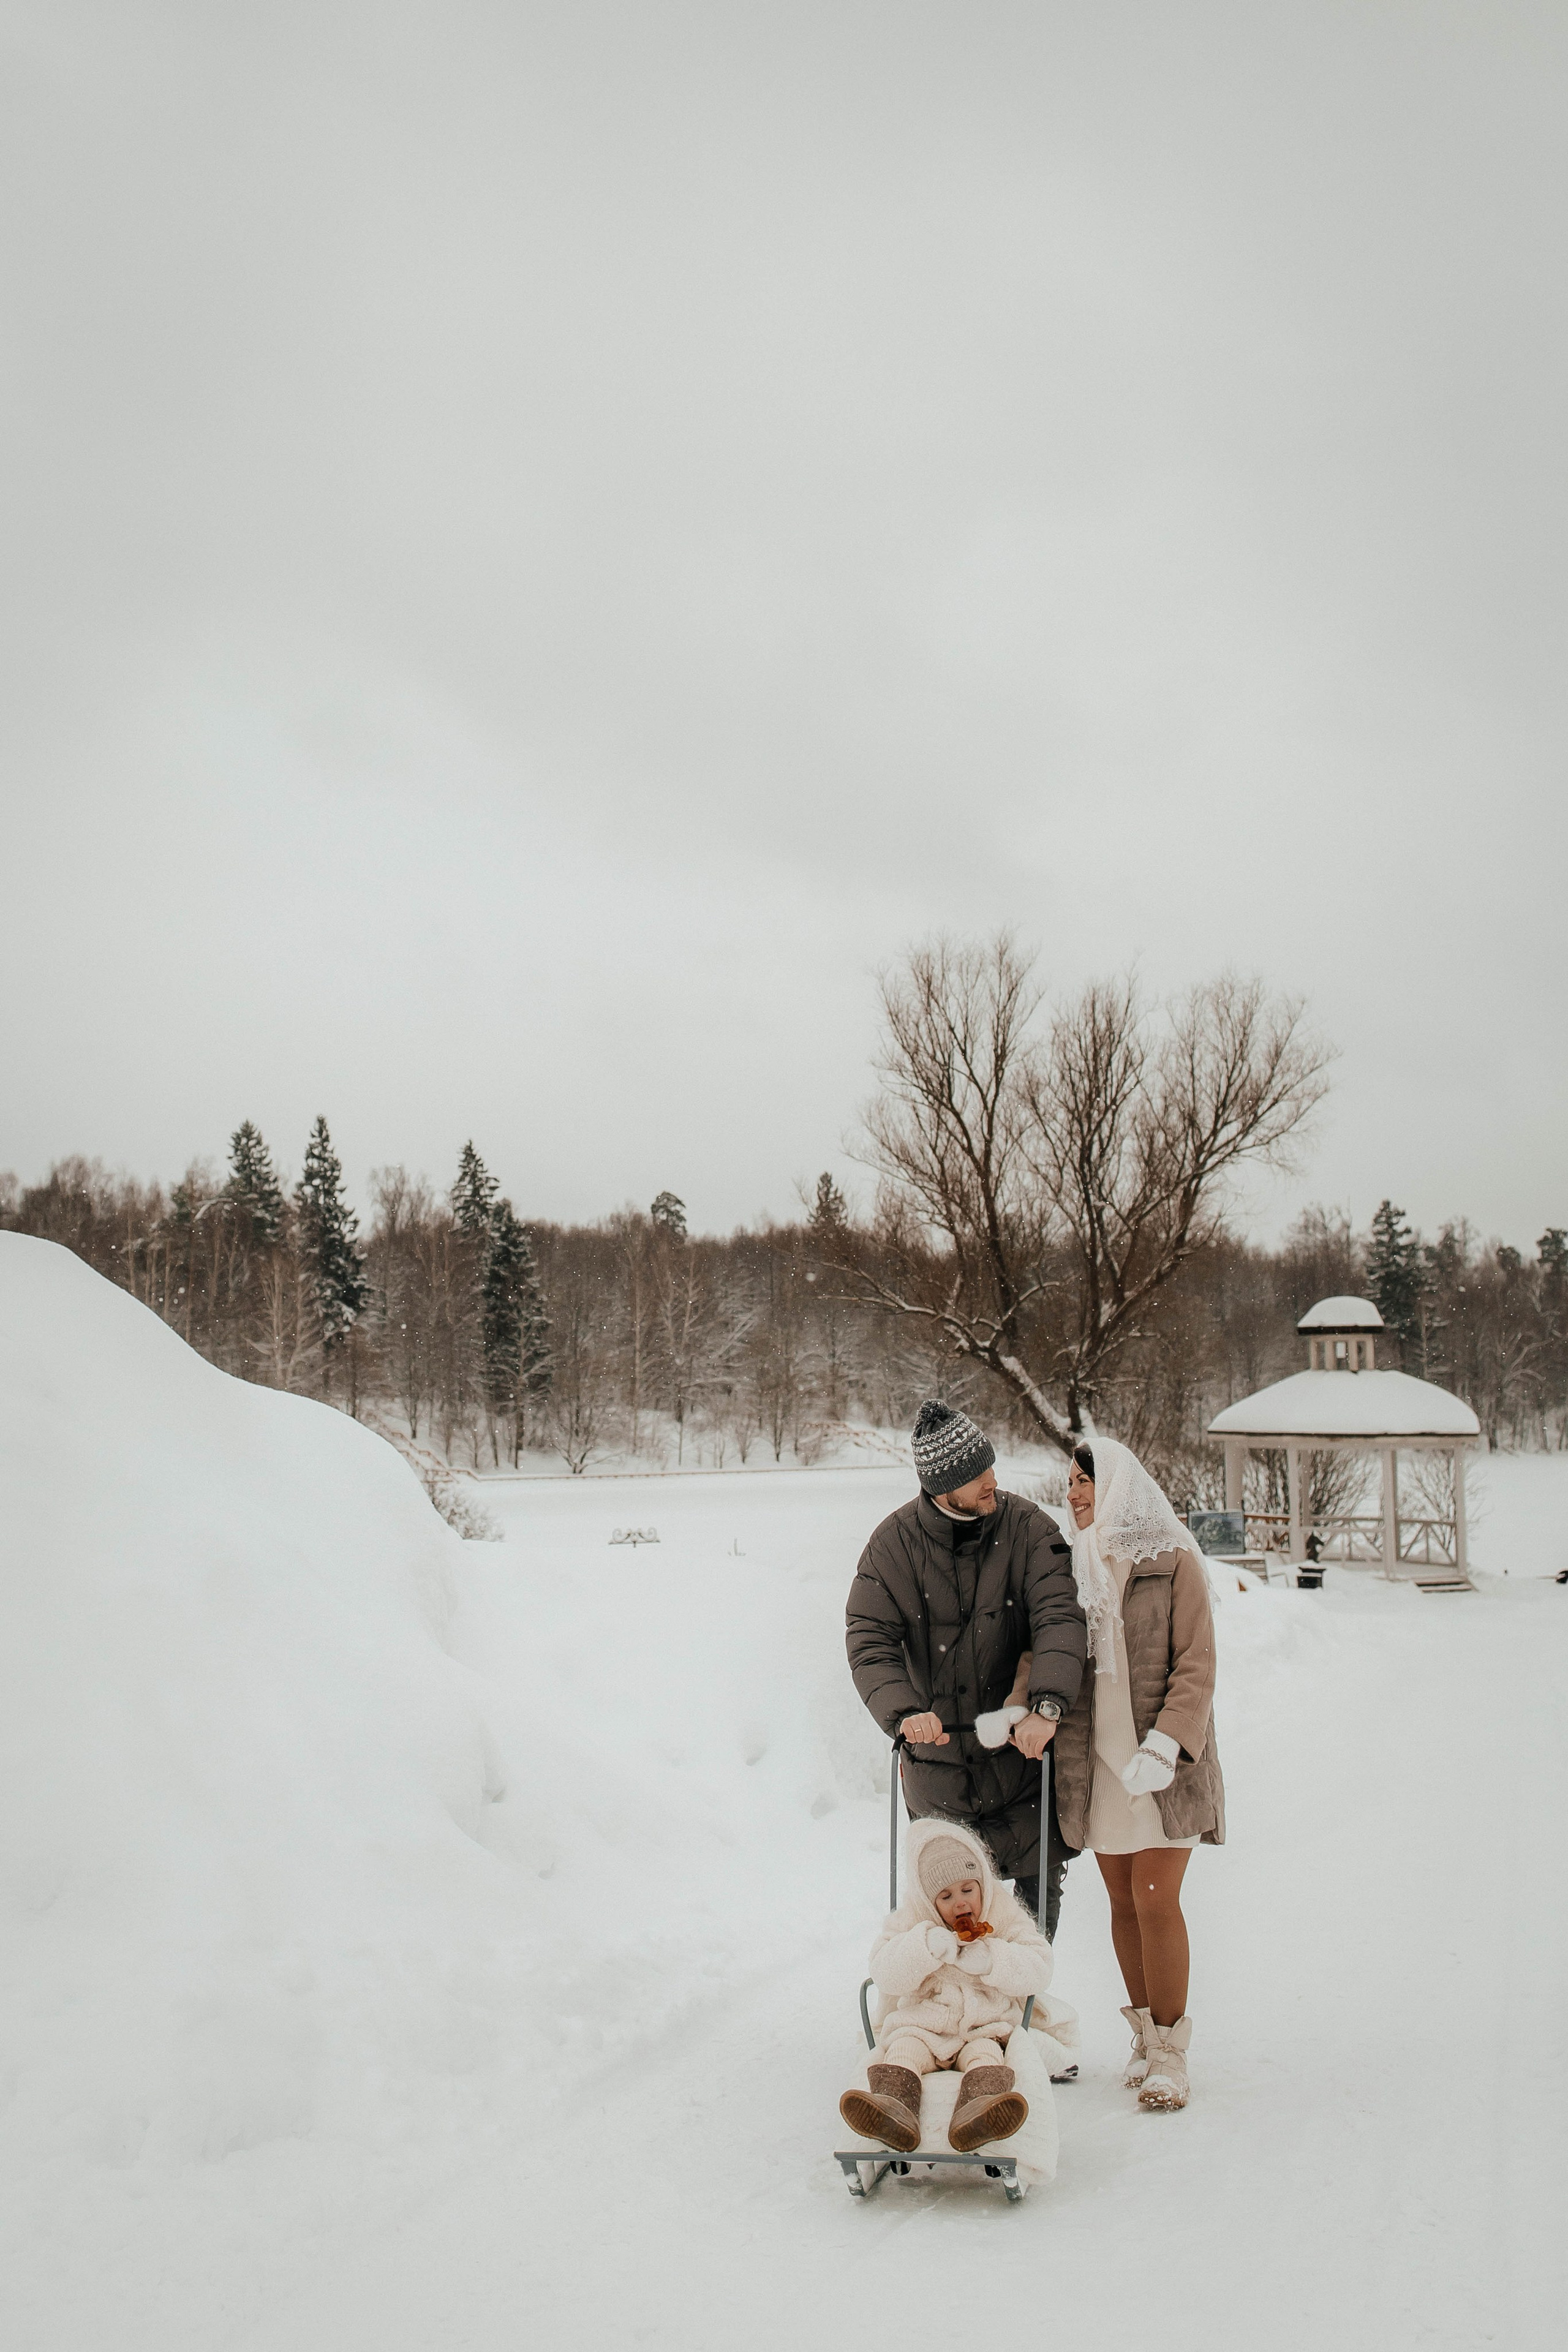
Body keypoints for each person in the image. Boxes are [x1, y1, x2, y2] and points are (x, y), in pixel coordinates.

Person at [845, 1399, 1087, 1937]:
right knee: (952, 1922)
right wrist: (905, 1712)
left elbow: (1059, 1615)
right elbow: (870, 1639)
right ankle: (958, 2017)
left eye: (991, 1468)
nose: (992, 1482)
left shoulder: (1027, 1528)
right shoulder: (893, 1547)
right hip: (940, 1772)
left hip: (1022, 1761)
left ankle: (1022, 2011)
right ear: (942, 1484)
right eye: (977, 1474)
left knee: (1032, 1922)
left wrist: (1047, 1705)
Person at [1050, 1436, 1225, 2113]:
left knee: (1156, 1898)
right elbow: (1051, 1656)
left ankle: (1171, 2056)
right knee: (1123, 1901)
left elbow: (1197, 1665)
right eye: (1068, 1484)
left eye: (1083, 1482)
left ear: (1117, 1484)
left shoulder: (1172, 1558)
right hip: (1099, 1764)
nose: (1072, 1494)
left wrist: (1168, 1744)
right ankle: (1145, 2034)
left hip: (1163, 1765)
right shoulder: (1069, 1568)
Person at [839, 1817, 1050, 2155]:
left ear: (982, 1884)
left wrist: (993, 1960)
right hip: (924, 2024)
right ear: (929, 1900)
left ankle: (981, 2112)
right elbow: (883, 1970)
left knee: (986, 2056)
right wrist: (923, 1947)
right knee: (905, 2049)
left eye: (968, 1890)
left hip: (984, 2025)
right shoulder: (913, 1919)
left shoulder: (1004, 1914)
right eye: (946, 1896)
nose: (961, 1903)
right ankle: (892, 2110)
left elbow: (1039, 1966)